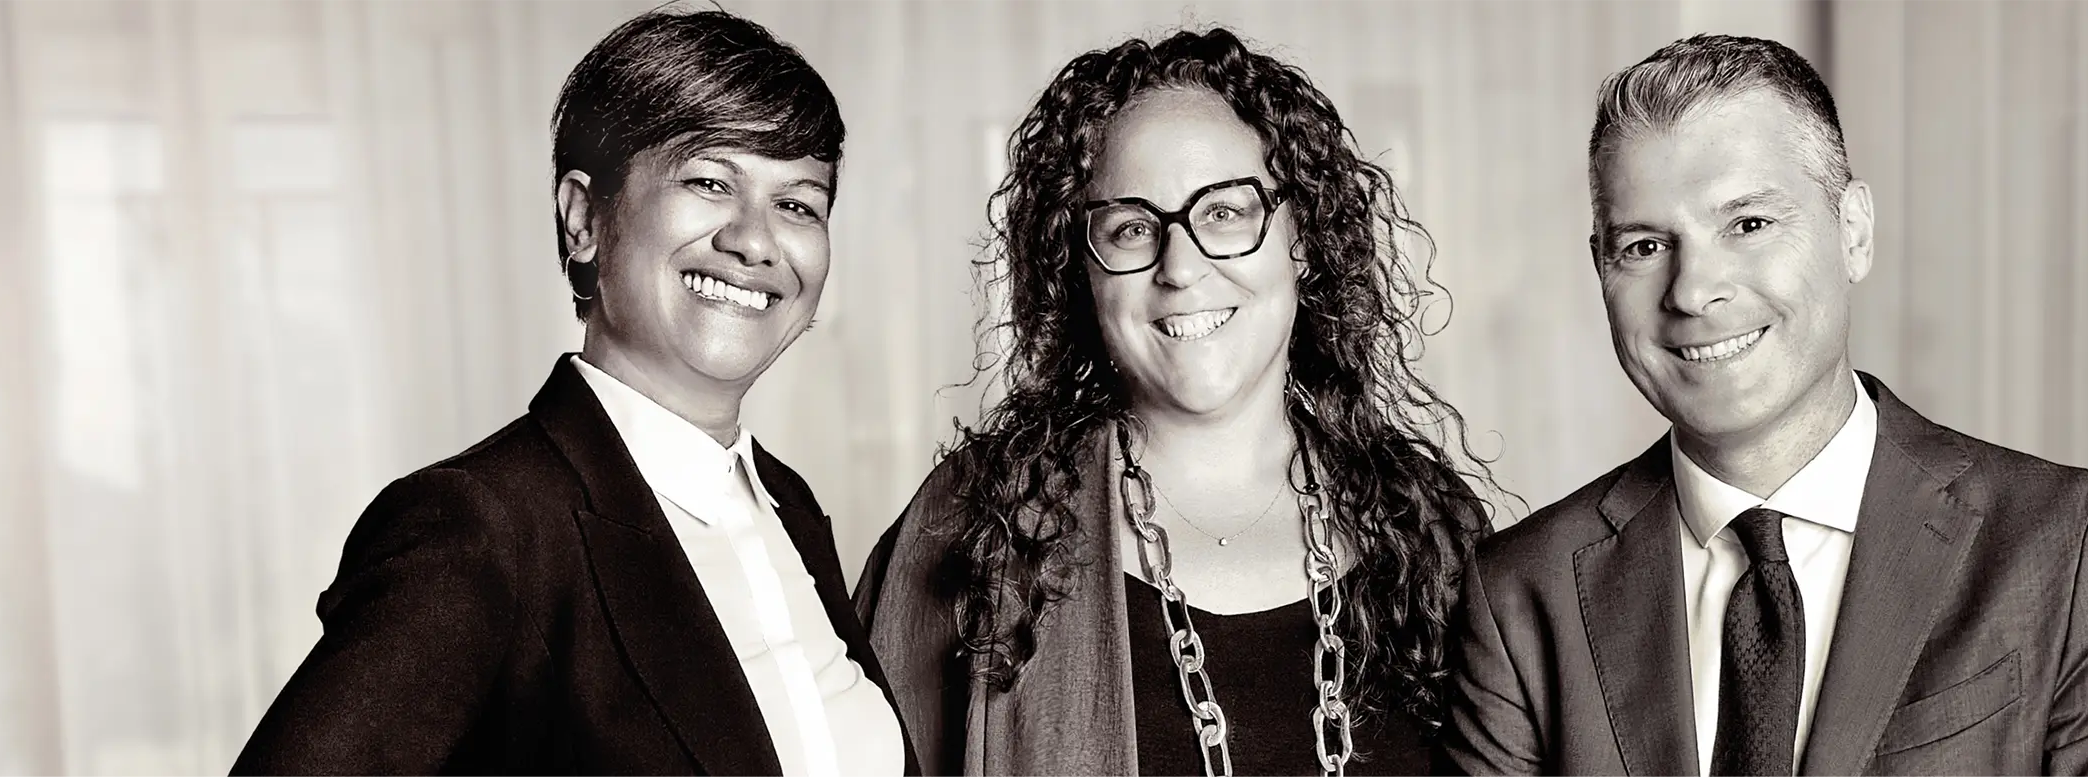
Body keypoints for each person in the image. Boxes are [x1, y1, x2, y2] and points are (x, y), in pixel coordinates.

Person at [1438, 35, 2088, 777]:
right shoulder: (1522, 596)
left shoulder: (2058, 542)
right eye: (1644, 246)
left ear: (1854, 232)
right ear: (1600, 268)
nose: (1694, 290)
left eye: (1748, 224)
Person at [231, 10, 910, 775]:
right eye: (710, 181)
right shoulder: (482, 525)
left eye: (798, 204)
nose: (754, 240)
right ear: (584, 217)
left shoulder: (787, 504)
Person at [854, 27, 1498, 777]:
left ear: (1302, 239)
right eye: (1132, 228)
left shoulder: (1433, 536)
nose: (1181, 267)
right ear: (1083, 271)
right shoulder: (968, 534)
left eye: (1224, 212)